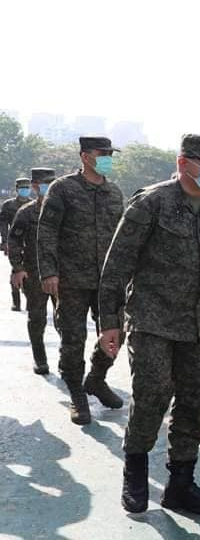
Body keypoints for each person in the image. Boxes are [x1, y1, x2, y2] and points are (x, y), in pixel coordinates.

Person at [97, 134, 200, 514]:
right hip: (153, 321)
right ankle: (135, 474)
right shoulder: (152, 202)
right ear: (184, 163)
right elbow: (118, 265)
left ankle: (180, 484)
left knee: (193, 403)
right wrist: (109, 321)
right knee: (150, 397)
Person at [38, 136, 125, 424]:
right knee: (73, 340)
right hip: (72, 280)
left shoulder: (114, 193)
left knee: (116, 334)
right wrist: (49, 271)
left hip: (108, 282)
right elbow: (47, 231)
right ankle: (77, 395)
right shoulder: (62, 189)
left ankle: (96, 379)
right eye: (103, 153)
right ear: (85, 156)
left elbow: (122, 239)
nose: (108, 158)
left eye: (110, 154)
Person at [8, 169, 57, 373]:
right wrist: (17, 268)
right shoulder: (26, 212)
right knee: (37, 317)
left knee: (67, 320)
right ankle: (40, 357)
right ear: (35, 186)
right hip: (34, 272)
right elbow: (15, 240)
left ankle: (68, 362)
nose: (48, 187)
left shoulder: (65, 210)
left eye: (51, 183)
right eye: (44, 183)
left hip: (62, 272)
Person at [1, 177, 33, 311]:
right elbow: (3, 225)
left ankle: (30, 300)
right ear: (17, 189)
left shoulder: (34, 204)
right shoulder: (9, 205)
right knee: (16, 269)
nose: (24, 190)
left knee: (30, 272)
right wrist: (4, 241)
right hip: (14, 242)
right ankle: (16, 302)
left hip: (30, 243)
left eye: (27, 187)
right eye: (22, 188)